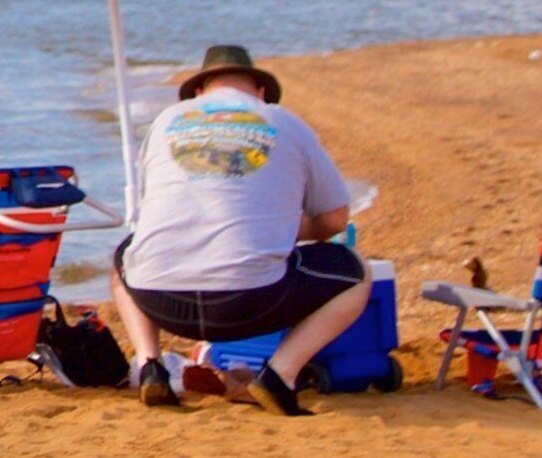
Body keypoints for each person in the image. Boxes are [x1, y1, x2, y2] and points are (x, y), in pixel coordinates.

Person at [105, 46, 369, 417]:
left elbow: (155, 214)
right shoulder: (284, 122)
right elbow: (334, 221)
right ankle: (279, 375)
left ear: (199, 92)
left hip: (161, 301)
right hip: (249, 303)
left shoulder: (166, 121)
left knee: (125, 257)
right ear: (260, 91)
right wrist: (283, 226)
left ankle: (151, 364)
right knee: (356, 273)